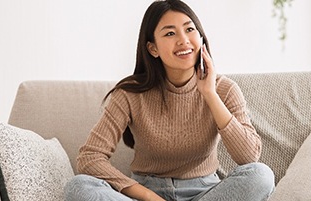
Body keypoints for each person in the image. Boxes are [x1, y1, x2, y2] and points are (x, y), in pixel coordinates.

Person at [63, 0, 275, 200]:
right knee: (79, 186)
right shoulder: (129, 94)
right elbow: (89, 158)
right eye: (170, 33)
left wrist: (210, 94)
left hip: (206, 193)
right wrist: (148, 196)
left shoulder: (225, 89)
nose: (183, 40)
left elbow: (249, 157)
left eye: (190, 29)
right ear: (152, 48)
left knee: (261, 175)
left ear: (201, 37)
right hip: (148, 192)